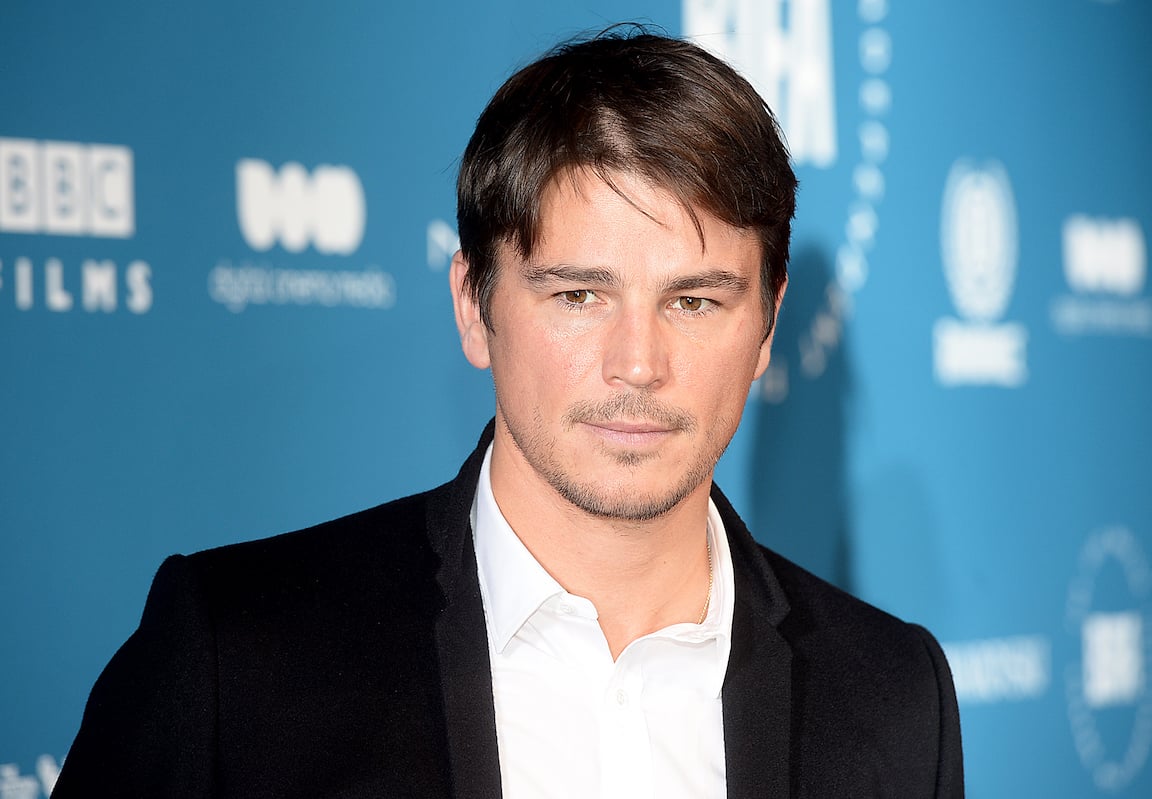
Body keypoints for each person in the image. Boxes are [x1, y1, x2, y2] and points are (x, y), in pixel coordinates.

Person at [54, 27, 963, 798]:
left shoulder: (893, 695)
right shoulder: (235, 662)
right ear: (473, 305)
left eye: (694, 301)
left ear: (766, 324)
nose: (638, 363)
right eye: (578, 295)